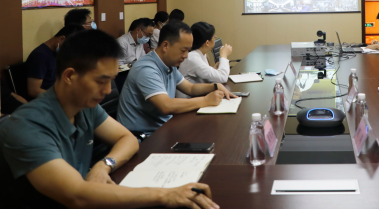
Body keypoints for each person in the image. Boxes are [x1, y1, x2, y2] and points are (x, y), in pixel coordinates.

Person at [0, 29, 220, 209]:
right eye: (100, 81)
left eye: (111, 80)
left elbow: (127, 139)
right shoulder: (26, 126)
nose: (107, 91)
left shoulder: (85, 107)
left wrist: (104, 165)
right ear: (69, 76)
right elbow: (76, 195)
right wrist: (165, 195)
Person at [117, 22, 237, 136]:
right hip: (144, 137)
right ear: (165, 46)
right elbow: (166, 105)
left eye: (188, 50)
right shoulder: (146, 68)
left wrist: (215, 86)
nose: (186, 56)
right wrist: (206, 100)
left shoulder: (169, 64)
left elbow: (190, 88)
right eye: (183, 50)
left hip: (164, 127)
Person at [25, 24, 85, 99]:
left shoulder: (57, 53)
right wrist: (63, 96)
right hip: (47, 99)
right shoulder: (40, 56)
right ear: (62, 39)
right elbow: (34, 91)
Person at [176, 22, 233, 98]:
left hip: (198, 96)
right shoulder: (192, 58)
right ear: (207, 43)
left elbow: (205, 76)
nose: (214, 39)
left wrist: (213, 69)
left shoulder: (200, 54)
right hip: (189, 101)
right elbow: (222, 78)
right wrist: (223, 55)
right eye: (214, 37)